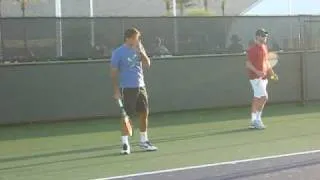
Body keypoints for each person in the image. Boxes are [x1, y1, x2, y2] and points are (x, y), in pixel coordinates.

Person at [110, 28, 158, 155]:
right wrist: (116, 90)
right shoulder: (118, 52)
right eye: (136, 37)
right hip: (127, 88)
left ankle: (144, 141)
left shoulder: (139, 48)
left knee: (144, 113)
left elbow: (147, 64)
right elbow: (114, 72)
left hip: (141, 86)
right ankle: (125, 144)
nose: (138, 40)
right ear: (128, 38)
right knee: (127, 116)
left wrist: (141, 52)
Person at [246, 29, 277, 129]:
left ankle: (254, 120)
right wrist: (257, 72)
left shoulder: (264, 47)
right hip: (256, 78)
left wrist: (272, 73)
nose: (265, 37)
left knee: (257, 98)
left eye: (266, 36)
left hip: (264, 77)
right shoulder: (252, 49)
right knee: (264, 97)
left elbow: (266, 62)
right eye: (263, 36)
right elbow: (247, 64)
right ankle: (256, 120)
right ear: (257, 37)